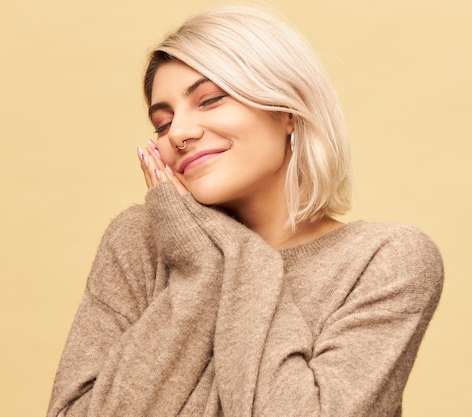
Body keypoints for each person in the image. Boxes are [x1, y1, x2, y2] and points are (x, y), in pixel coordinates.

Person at [46, 5, 443, 417]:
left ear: (287, 109)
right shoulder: (139, 241)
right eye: (162, 124)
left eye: (210, 100)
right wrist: (195, 269)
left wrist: (213, 253)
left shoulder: (386, 261)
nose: (179, 133)